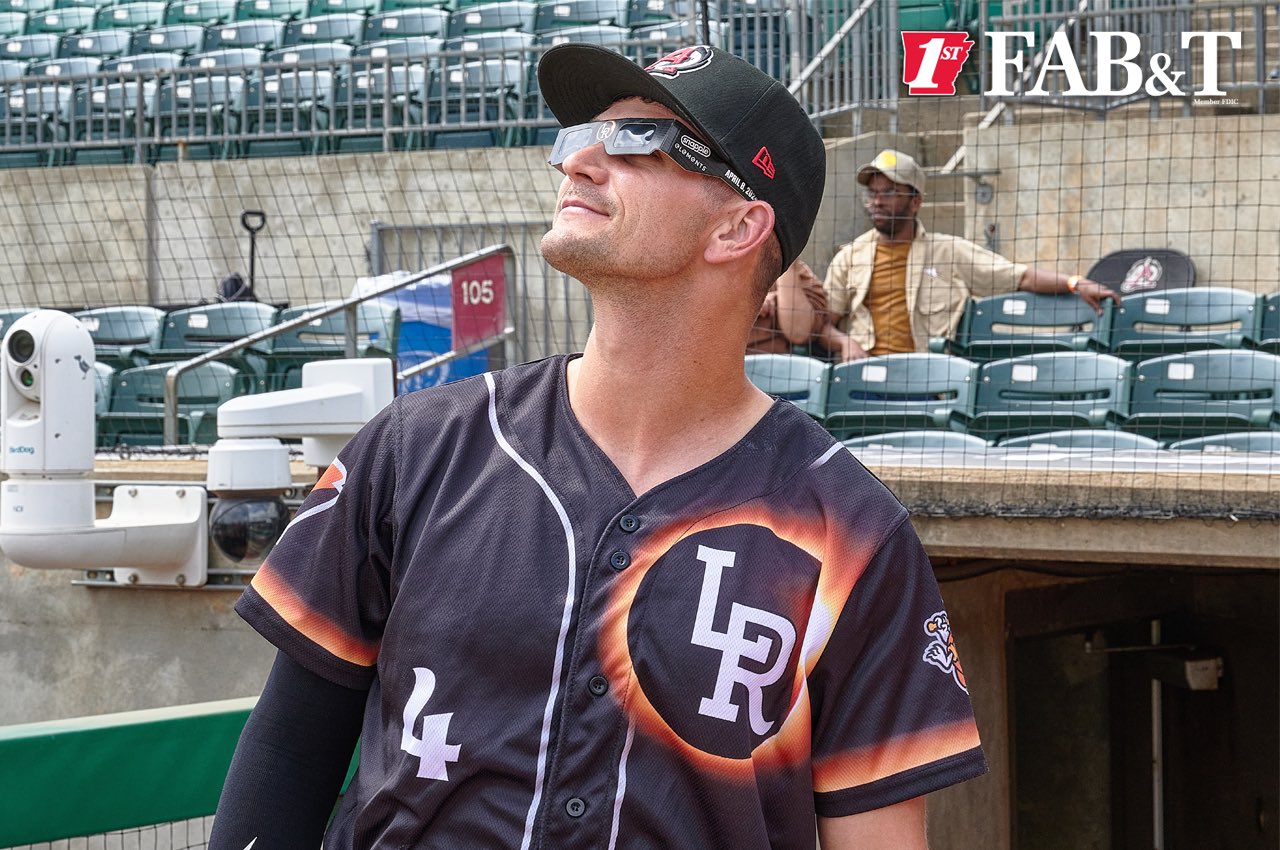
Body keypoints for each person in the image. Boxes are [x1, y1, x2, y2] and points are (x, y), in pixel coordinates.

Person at [208, 45, 986, 850]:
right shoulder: (415, 450)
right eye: (584, 135)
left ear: (739, 224)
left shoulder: (851, 532)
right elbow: (288, 754)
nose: (578, 160)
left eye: (636, 142)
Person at [819, 149, 1120, 362]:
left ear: (915, 202)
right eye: (872, 193)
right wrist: (844, 341)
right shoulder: (851, 257)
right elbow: (823, 325)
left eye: (889, 192)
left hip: (930, 381)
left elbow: (1019, 276)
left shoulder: (949, 252)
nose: (877, 201)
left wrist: (1075, 283)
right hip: (862, 381)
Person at [747, 258, 828, 354]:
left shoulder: (795, 268)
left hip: (775, 362)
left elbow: (800, 333)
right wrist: (748, 304)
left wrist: (785, 259)